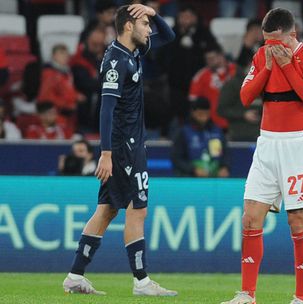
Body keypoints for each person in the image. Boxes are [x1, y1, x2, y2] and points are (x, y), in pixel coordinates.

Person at [61, 4, 176, 296]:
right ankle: (141, 281)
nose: (150, 29)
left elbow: (169, 35)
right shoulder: (115, 61)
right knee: (138, 210)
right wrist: (107, 154)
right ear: (128, 26)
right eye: (145, 24)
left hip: (129, 144)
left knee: (107, 210)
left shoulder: (133, 52)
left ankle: (75, 276)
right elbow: (106, 110)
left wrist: (151, 11)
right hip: (125, 147)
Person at [221, 8, 303, 304]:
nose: (269, 47)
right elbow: (244, 97)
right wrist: (268, 66)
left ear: (291, 36)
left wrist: (288, 66)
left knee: (297, 220)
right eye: (266, 42)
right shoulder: (262, 56)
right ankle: (247, 294)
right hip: (266, 143)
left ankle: (302, 298)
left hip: (296, 145)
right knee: (250, 218)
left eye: (275, 42)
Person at [171, 97, 229, 177]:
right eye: (200, 114)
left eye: (206, 114)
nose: (204, 118)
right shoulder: (183, 132)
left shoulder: (217, 132)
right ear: (193, 113)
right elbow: (176, 158)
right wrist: (193, 169)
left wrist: (225, 167)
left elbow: (226, 153)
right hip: (190, 179)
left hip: (215, 180)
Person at [189, 45, 237, 130]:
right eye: (207, 59)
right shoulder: (201, 75)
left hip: (235, 121)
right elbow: (193, 100)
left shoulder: (236, 70)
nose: (209, 61)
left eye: (211, 58)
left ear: (221, 56)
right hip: (212, 124)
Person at [217, 64, 262, 142]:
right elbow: (222, 110)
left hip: (262, 136)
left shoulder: (263, 82)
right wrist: (243, 114)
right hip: (239, 136)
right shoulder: (232, 85)